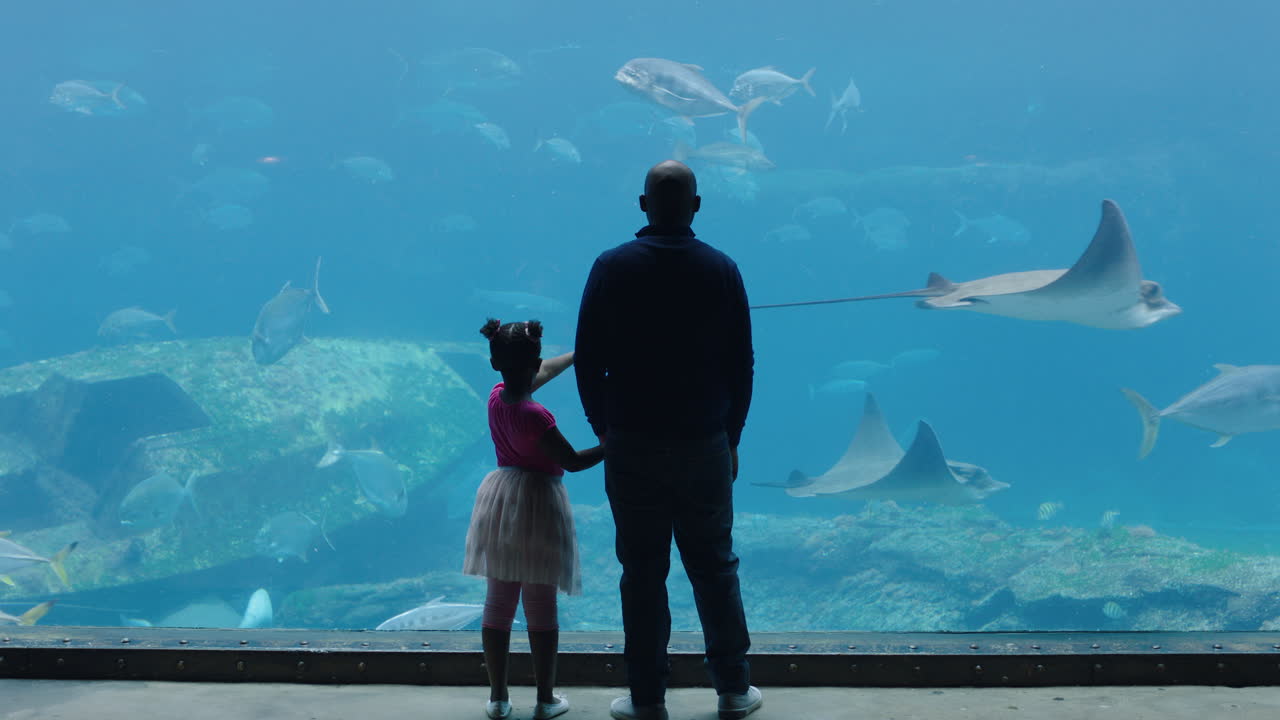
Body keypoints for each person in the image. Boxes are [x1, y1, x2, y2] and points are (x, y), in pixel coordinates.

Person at [575, 160, 761, 720]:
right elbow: (741, 364)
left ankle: (647, 697)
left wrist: (603, 430)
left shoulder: (611, 267)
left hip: (630, 442)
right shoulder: (721, 269)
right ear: (697, 206)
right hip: (704, 440)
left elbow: (589, 361)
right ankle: (732, 689)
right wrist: (731, 437)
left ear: (642, 204)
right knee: (715, 566)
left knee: (642, 571)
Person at [463, 318, 604, 720]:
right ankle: (545, 699)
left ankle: (498, 698)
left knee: (498, 602)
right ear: (535, 359)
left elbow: (540, 372)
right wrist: (614, 444)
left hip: (500, 501)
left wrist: (576, 357)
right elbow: (572, 462)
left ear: (494, 363)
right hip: (539, 503)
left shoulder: (496, 396)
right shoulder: (536, 415)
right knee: (540, 604)